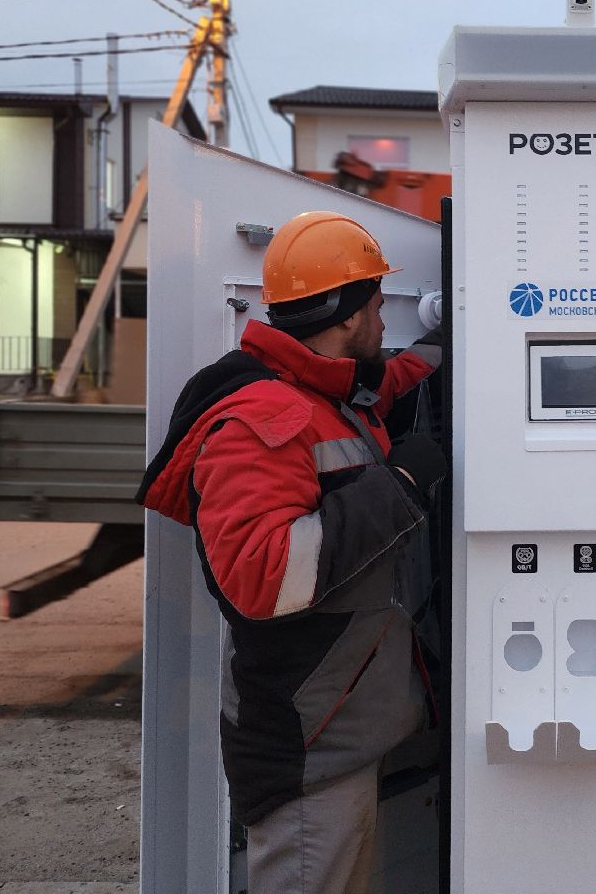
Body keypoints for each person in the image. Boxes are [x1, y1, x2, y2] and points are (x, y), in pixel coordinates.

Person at [138, 210, 445, 894]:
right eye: (377, 308)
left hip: (336, 729)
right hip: (308, 744)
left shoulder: (320, 391)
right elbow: (264, 577)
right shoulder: (263, 420)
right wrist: (398, 486)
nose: (384, 322)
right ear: (346, 316)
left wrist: (451, 342)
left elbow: (385, 382)